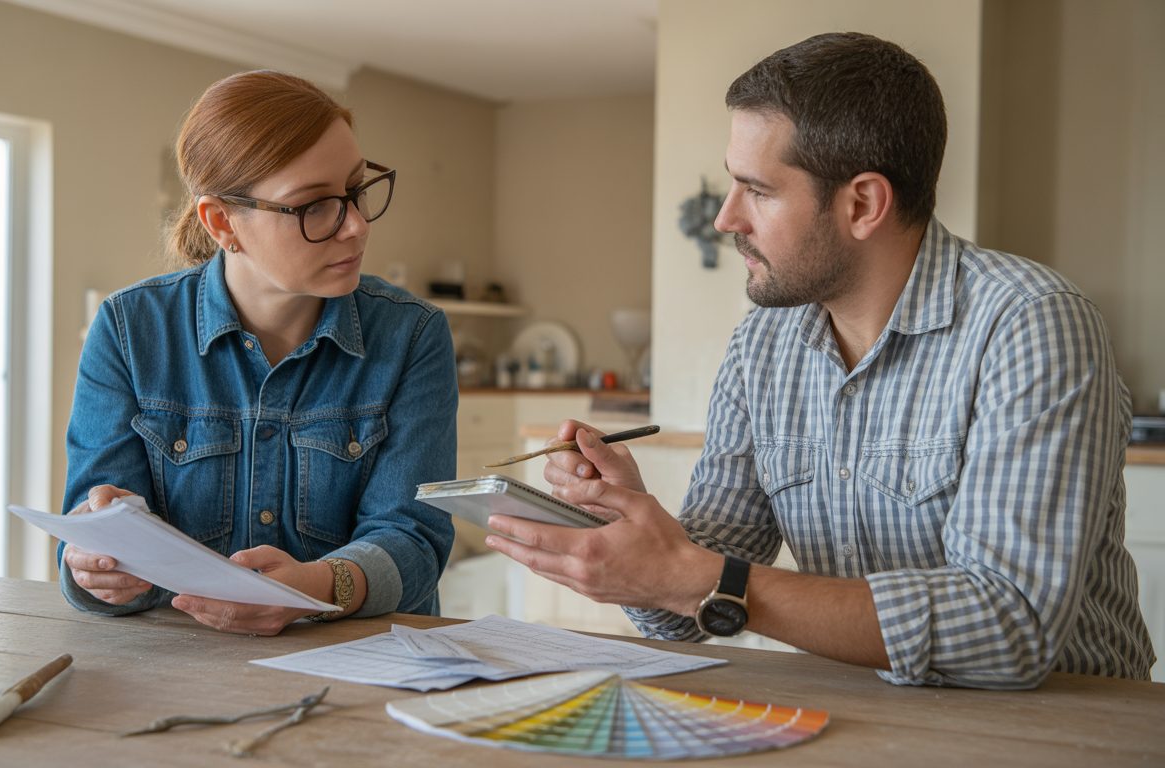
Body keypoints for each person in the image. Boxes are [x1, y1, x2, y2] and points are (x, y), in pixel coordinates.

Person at [485, 32, 1155, 688]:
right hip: (869, 713)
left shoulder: (1032, 324)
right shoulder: (761, 348)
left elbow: (1009, 628)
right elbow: (688, 608)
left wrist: (697, 577)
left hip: (1063, 729)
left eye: (759, 190)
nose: (726, 219)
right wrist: (630, 523)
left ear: (862, 203)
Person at [58, 70, 457, 636]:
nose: (357, 226)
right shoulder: (128, 330)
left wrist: (318, 588)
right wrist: (96, 568)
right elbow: (90, 549)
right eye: (315, 206)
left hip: (368, 675)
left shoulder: (412, 335)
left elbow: (416, 541)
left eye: (356, 190)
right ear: (222, 221)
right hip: (174, 671)